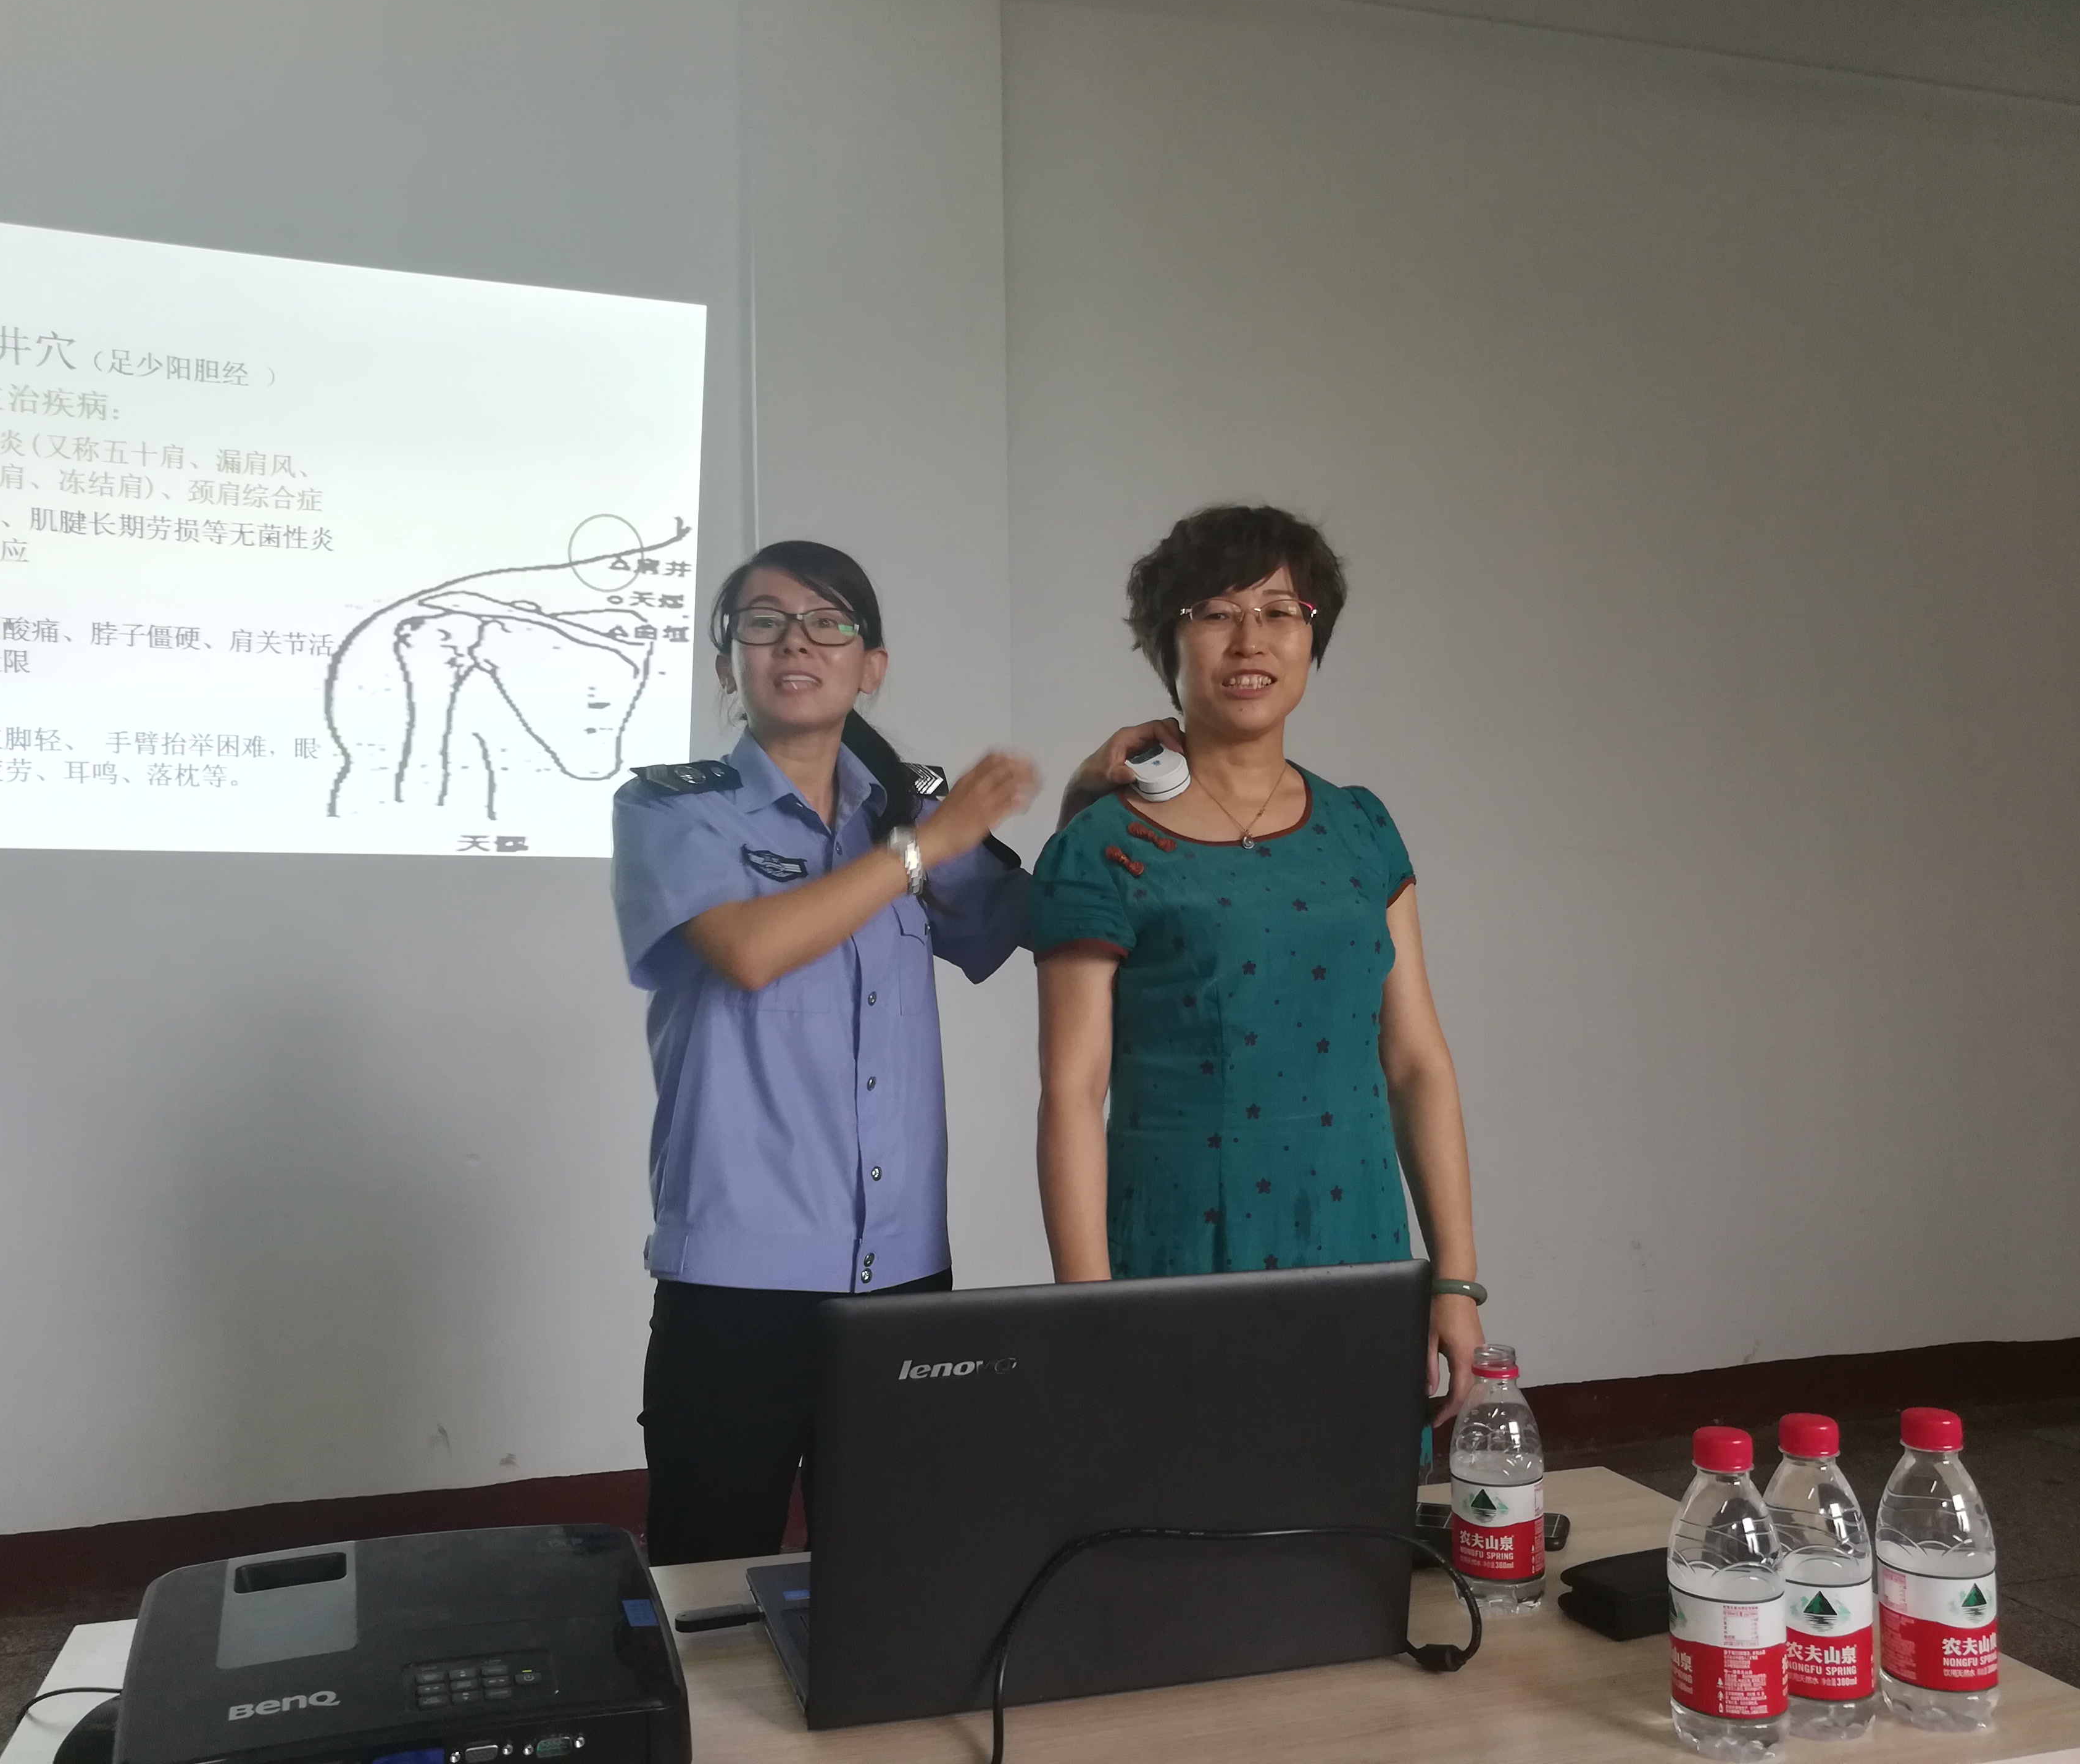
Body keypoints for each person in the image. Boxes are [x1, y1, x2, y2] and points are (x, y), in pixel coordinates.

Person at [612, 539, 1174, 1562]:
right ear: (726, 661)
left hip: (903, 1274)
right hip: (736, 1283)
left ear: (871, 665)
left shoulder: (907, 816)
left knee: (895, 1572)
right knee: (710, 1577)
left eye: (828, 623)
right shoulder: (674, 808)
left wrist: (1083, 802)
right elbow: (747, 951)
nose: (796, 642)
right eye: (764, 622)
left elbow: (1033, 920)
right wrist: (927, 847)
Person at [1030, 505, 1487, 1421]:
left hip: (1357, 1236)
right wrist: (1088, 1312)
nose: (1250, 641)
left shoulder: (1362, 827)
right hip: (1176, 1244)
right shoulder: (1103, 845)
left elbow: (1416, 1063)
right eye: (1215, 613)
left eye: (1281, 612)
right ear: (1168, 641)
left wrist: (1455, 1281)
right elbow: (1072, 1093)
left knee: (1350, 1500)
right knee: (1178, 1493)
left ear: (1313, 638)